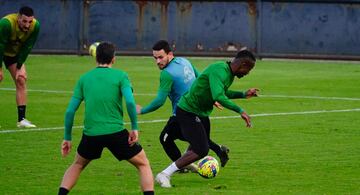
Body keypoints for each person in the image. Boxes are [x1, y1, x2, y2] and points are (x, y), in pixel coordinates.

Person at [58, 42, 154, 195]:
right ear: (113, 59)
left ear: (95, 57)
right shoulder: (121, 76)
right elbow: (130, 102)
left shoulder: (84, 79)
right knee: (143, 164)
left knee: (77, 164)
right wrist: (134, 127)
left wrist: (67, 138)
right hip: (116, 133)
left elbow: (70, 111)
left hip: (91, 135)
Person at [155, 50, 259, 188]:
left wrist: (243, 94)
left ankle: (188, 160)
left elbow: (223, 92)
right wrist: (240, 110)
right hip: (188, 111)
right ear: (243, 64)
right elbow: (218, 96)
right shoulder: (219, 70)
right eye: (249, 69)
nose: (247, 73)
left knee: (201, 143)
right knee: (201, 149)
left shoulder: (228, 74)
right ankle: (164, 174)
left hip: (201, 113)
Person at [136, 40, 229, 172]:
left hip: (182, 113)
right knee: (197, 138)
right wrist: (211, 97)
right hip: (200, 110)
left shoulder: (167, 74)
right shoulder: (184, 61)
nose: (157, 61)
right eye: (155, 58)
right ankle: (219, 150)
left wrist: (142, 110)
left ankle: (182, 167)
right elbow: (201, 79)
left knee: (165, 139)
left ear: (170, 54)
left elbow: (159, 101)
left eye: (161, 57)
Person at [0, 6, 40, 128]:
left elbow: (27, 46)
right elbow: (0, 46)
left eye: (30, 21)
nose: (27, 25)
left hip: (13, 54)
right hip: (0, 50)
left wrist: (19, 67)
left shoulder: (35, 26)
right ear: (18, 18)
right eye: (24, 21)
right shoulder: (6, 24)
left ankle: (21, 120)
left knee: (21, 79)